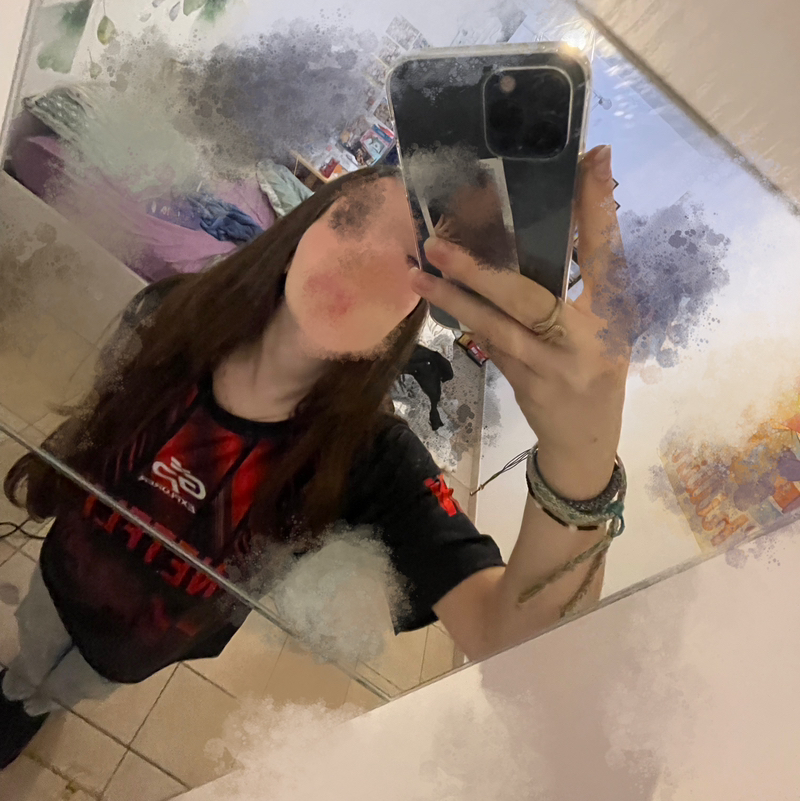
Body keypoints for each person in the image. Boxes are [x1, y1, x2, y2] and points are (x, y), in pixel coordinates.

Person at [1, 144, 630, 769]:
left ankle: (33, 703)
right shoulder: (171, 309)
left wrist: (581, 459)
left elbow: (511, 650)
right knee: (30, 653)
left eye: (410, 261)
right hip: (58, 574)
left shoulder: (375, 462)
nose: (359, 261)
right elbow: (104, 426)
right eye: (350, 221)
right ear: (305, 226)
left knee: (63, 689)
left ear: (419, 307)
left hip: (141, 647)